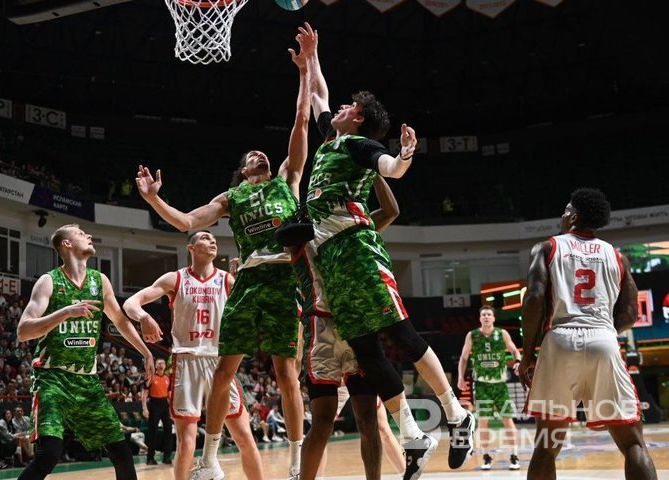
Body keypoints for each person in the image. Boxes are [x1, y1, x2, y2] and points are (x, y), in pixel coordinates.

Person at [295, 22, 475, 472]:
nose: (338, 107)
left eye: (348, 106)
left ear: (358, 117)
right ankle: (413, 436)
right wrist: (311, 57)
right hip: (332, 261)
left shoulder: (359, 144)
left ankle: (457, 414)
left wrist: (406, 153)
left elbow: (390, 169)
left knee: (401, 334)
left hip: (357, 249)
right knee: (366, 350)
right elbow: (318, 94)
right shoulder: (331, 139)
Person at [136, 35, 311, 480]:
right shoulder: (232, 198)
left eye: (262, 153)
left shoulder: (287, 180)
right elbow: (186, 221)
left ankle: (296, 461)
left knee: (287, 374)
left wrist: (305, 69)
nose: (260, 154)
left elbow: (300, 121)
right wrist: (154, 200)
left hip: (283, 279)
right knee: (225, 368)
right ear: (243, 171)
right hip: (249, 280)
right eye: (252, 156)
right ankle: (210, 460)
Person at [519, 187, 658, 480]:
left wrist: (528, 353)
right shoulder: (616, 256)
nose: (562, 215)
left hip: (559, 339)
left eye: (565, 210)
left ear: (574, 217)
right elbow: (630, 313)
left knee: (546, 446)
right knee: (633, 443)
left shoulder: (547, 247)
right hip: (603, 339)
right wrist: (602, 333)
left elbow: (533, 299)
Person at [293, 175, 416, 480]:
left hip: (355, 327)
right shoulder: (297, 239)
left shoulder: (350, 232)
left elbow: (391, 211)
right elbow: (292, 180)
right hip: (319, 330)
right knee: (322, 422)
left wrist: (374, 168)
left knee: (368, 417)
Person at [16, 223, 155, 480]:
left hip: (87, 381)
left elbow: (120, 320)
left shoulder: (99, 281)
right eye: (81, 234)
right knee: (49, 454)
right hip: (52, 378)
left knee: (121, 452)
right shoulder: (49, 281)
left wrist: (145, 352)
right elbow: (23, 331)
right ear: (67, 244)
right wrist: (66, 312)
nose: (89, 235)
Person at [124, 231, 265, 480]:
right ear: (191, 247)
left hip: (220, 362)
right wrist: (144, 316)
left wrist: (245, 277)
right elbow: (130, 303)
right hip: (187, 360)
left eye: (214, 238)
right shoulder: (175, 278)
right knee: (187, 442)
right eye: (205, 237)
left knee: (244, 436)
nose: (212, 241)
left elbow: (257, 305)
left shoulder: (226, 279)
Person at [457, 305, 521, 470]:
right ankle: (486, 457)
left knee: (508, 420)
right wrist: (460, 378)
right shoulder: (472, 335)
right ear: (480, 318)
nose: (486, 317)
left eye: (489, 314)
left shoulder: (502, 333)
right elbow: (464, 358)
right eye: (483, 314)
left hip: (500, 385)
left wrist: (518, 362)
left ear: (493, 318)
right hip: (482, 386)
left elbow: (515, 351)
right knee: (483, 422)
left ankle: (514, 456)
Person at [140, 358, 173, 465]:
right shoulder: (150, 377)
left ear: (165, 366)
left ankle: (167, 457)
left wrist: (171, 409)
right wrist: (145, 408)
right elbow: (144, 394)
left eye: (162, 363)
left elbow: (169, 395)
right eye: (159, 363)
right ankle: (150, 458)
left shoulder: (167, 378)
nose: (161, 365)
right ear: (155, 365)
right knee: (153, 431)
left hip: (164, 404)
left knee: (168, 429)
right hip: (154, 404)